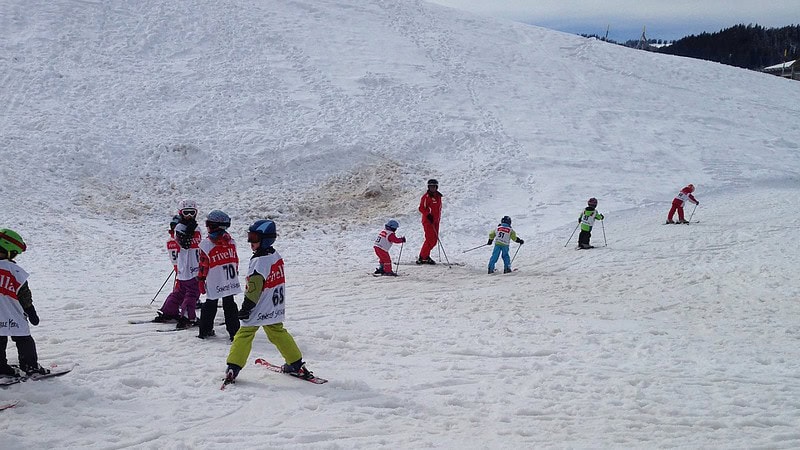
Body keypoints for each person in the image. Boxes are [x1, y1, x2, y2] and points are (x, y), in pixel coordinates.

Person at [224, 220, 313, 384]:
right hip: (274, 304)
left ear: (265, 239)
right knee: (277, 332)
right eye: (249, 237)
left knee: (244, 334)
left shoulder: (259, 261)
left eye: (254, 238)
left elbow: (255, 287)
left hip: (259, 305)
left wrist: (246, 307)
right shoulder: (274, 254)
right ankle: (296, 364)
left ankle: (233, 367)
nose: (251, 242)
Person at [0, 228, 50, 377]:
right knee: (24, 339)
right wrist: (31, 311)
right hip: (13, 313)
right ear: (9, 252)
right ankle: (30, 366)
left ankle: (1, 368)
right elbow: (24, 295)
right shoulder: (14, 271)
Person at [155, 200, 202, 329]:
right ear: (180, 213)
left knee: (180, 292)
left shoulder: (198, 228)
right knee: (193, 292)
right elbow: (185, 244)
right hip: (186, 267)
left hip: (195, 265)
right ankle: (188, 317)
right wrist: (189, 229)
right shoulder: (180, 228)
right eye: (186, 212)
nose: (189, 216)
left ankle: (168, 311)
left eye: (192, 213)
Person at [197, 210, 241, 341]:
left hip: (214, 281)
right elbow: (235, 261)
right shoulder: (232, 242)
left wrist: (201, 279)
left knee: (210, 305)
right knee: (230, 305)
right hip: (229, 280)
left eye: (209, 224)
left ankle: (205, 331)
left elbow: (203, 266)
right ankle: (234, 333)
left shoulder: (206, 245)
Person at [416, 178, 443, 264]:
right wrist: (428, 215)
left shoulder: (438, 196)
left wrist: (437, 219)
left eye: (434, 187)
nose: (432, 188)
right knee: (430, 239)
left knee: (434, 240)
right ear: (428, 187)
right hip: (428, 221)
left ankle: (425, 255)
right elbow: (421, 208)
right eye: (430, 187)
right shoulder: (426, 197)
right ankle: (423, 257)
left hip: (436, 221)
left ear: (436, 187)